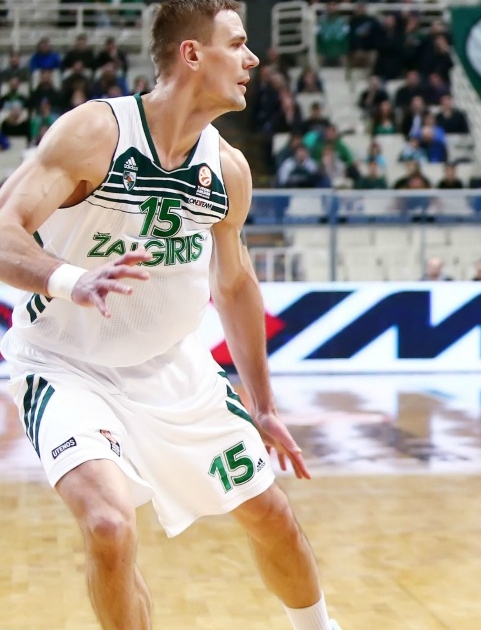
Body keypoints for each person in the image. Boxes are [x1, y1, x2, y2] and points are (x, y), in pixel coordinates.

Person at [0, 2, 341, 629]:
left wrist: (263, 403)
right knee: (108, 526)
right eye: (236, 43)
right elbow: (3, 231)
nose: (252, 58)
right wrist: (71, 279)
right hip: (66, 367)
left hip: (174, 372)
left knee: (271, 515)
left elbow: (233, 284)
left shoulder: (228, 168)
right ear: (192, 54)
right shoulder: (96, 133)